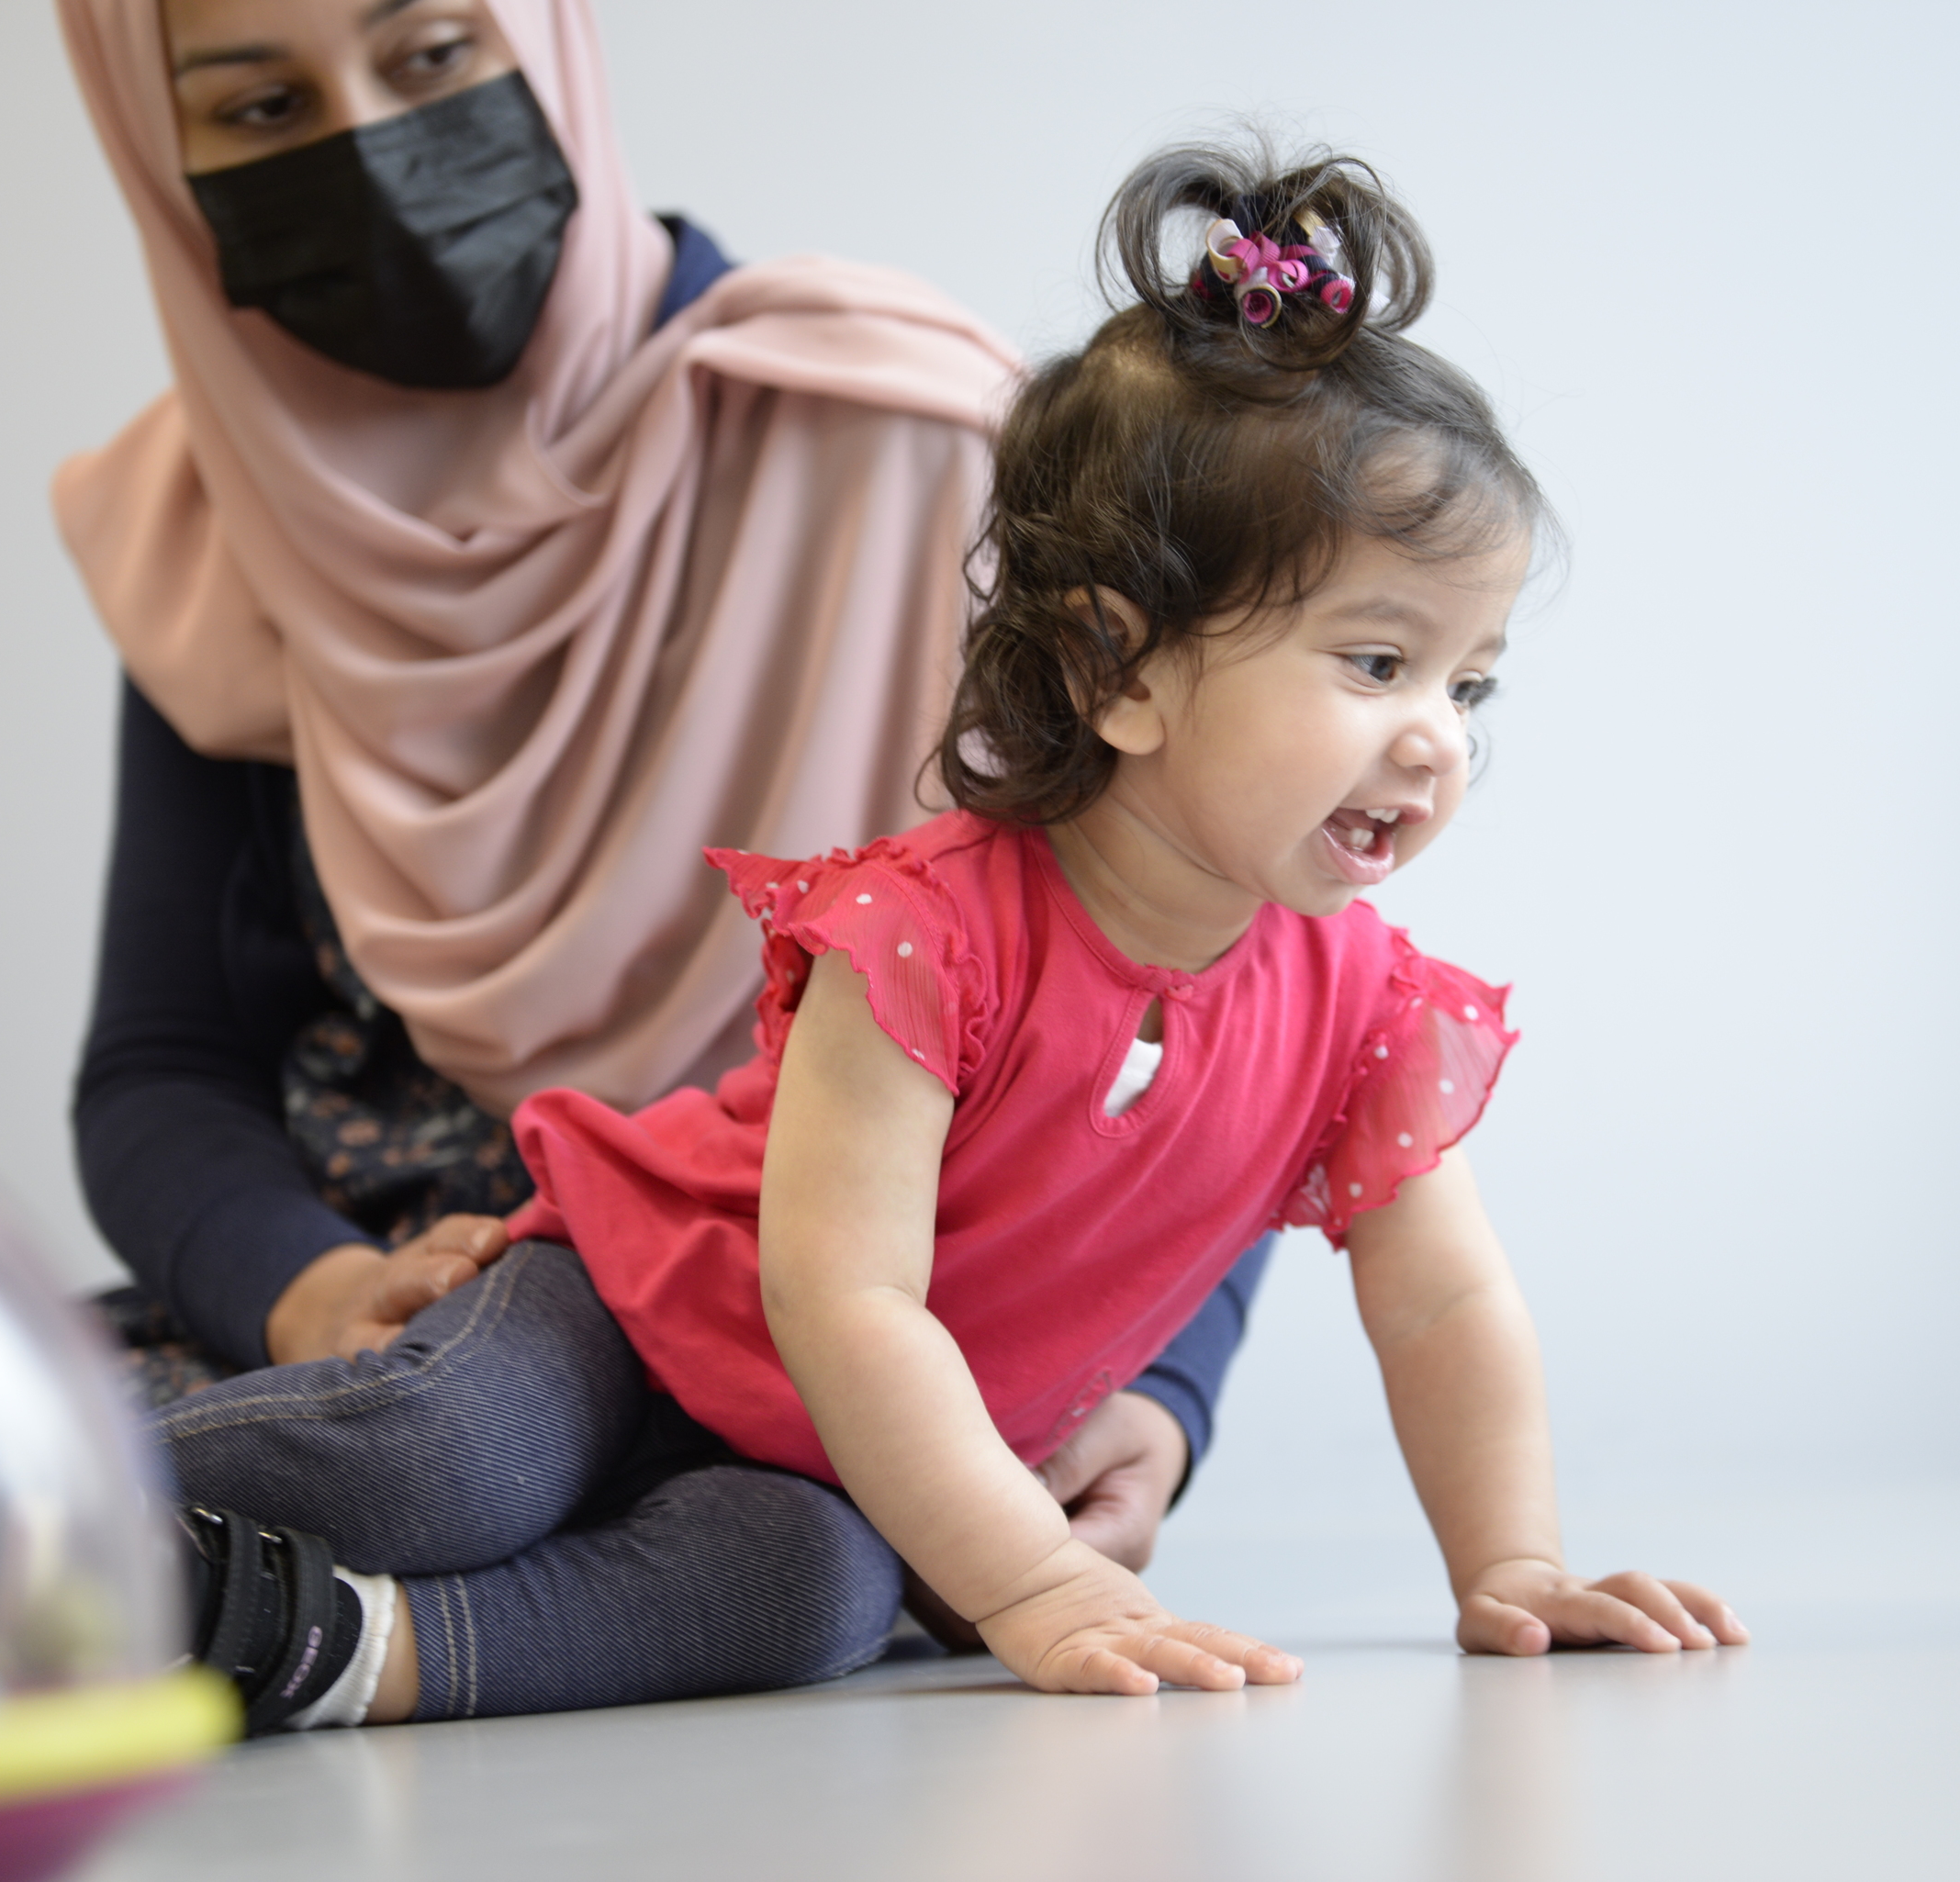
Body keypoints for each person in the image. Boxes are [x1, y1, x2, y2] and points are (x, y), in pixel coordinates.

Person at [159, 137, 1747, 1731]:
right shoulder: (929, 935)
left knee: (816, 1594)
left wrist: (1515, 1563)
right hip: (638, 1322)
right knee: (450, 1461)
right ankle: (10, 1492)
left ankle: (318, 1647)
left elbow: (1444, 1303)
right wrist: (1041, 1584)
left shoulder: (1368, 1010)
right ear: (1118, 671)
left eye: (1469, 684)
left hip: (828, 1464)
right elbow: (844, 1299)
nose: (1437, 740)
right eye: (1378, 661)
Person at [54, 0, 1272, 1626]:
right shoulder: (216, 529)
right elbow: (165, 1070)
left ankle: (250, 1609)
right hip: (398, 1339)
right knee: (417, 1451)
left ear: (548, 47)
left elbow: (1210, 961)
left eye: (430, 58)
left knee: (824, 1564)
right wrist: (313, 1292)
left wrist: (1158, 1392)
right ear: (161, 154)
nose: (371, 147)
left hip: (847, 1319)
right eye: (261, 106)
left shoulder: (913, 443)